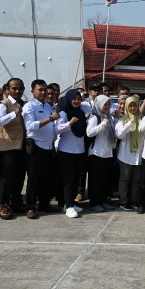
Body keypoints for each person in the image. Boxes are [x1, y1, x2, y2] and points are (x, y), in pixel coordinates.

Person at [22, 79, 58, 219]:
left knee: (45, 178)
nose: (44, 93)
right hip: (35, 146)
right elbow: (30, 126)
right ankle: (30, 206)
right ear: (32, 91)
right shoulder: (29, 106)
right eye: (40, 90)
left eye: (45, 90)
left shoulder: (48, 106)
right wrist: (49, 119)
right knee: (33, 179)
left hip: (48, 147)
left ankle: (44, 203)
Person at [0, 78, 27, 219]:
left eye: (20, 88)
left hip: (22, 144)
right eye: (14, 88)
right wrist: (14, 113)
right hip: (8, 145)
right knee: (7, 177)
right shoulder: (3, 104)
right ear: (7, 90)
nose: (17, 91)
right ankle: (4, 204)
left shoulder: (24, 104)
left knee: (19, 175)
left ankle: (16, 202)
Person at [55, 89, 86, 218]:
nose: (77, 101)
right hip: (66, 151)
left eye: (79, 99)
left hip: (79, 151)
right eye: (74, 98)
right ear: (68, 99)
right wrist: (70, 123)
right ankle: (68, 207)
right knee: (68, 180)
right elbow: (57, 130)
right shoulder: (63, 113)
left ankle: (68, 203)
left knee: (75, 180)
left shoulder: (81, 112)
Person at [86, 95, 116, 212]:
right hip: (96, 154)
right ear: (99, 105)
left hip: (108, 153)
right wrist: (103, 124)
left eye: (109, 104)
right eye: (105, 104)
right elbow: (89, 133)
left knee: (104, 180)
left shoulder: (110, 117)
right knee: (96, 180)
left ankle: (102, 201)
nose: (107, 107)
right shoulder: (95, 117)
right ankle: (94, 202)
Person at [115, 96, 144, 211]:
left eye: (135, 105)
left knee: (136, 180)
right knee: (125, 179)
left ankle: (133, 201)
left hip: (139, 155)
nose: (132, 108)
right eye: (130, 105)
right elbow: (119, 135)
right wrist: (129, 123)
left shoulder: (142, 118)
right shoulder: (122, 119)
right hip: (125, 156)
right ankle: (123, 201)